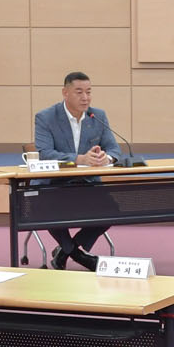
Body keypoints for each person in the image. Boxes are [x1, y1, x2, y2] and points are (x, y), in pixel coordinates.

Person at [32, 71, 121, 269]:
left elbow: (114, 149)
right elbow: (45, 153)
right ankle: (78, 255)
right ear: (65, 93)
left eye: (89, 92)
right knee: (47, 209)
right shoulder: (46, 117)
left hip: (86, 184)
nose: (85, 97)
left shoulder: (97, 116)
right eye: (79, 92)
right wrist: (79, 159)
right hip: (54, 185)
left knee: (113, 210)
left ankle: (66, 250)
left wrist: (106, 158)